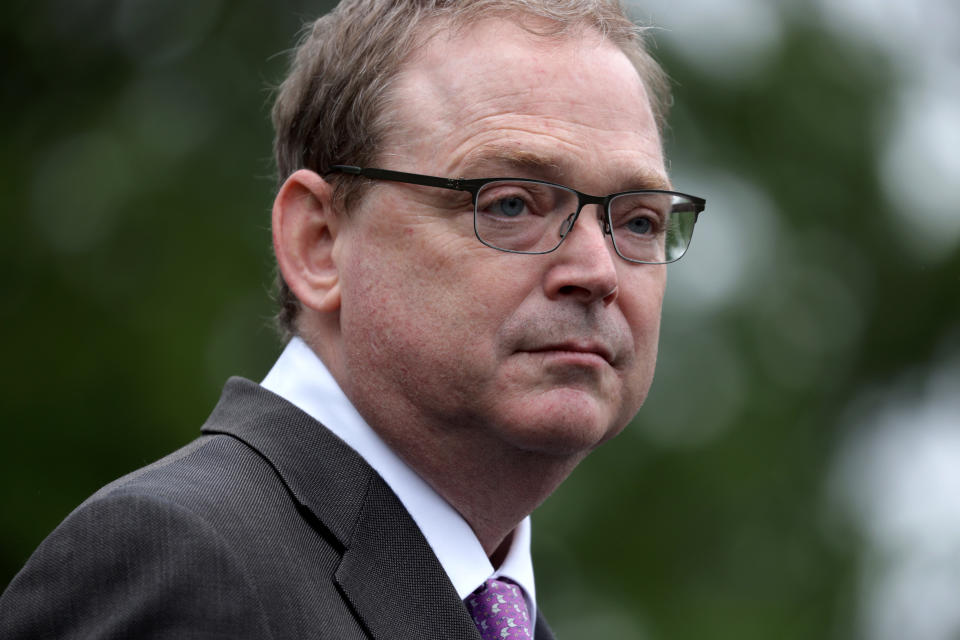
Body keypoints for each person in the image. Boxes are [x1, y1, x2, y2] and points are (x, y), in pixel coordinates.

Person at [0, 0, 705, 637]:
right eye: (510, 203)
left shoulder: (500, 614)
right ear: (319, 243)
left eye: (638, 221)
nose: (598, 271)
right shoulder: (182, 560)